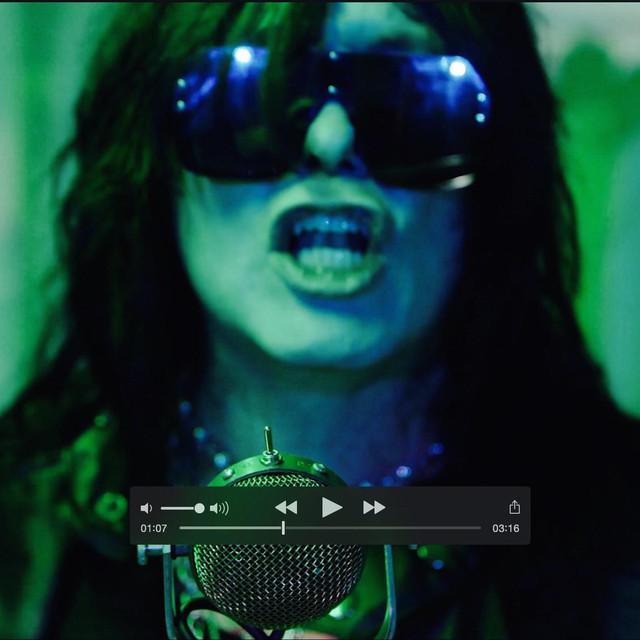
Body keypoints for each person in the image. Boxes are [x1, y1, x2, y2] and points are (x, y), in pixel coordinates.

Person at [1, 3, 639, 638]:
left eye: (401, 97)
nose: (330, 140)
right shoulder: (21, 534)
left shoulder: (618, 536)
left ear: (499, 171)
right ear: (153, 159)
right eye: (254, 94)